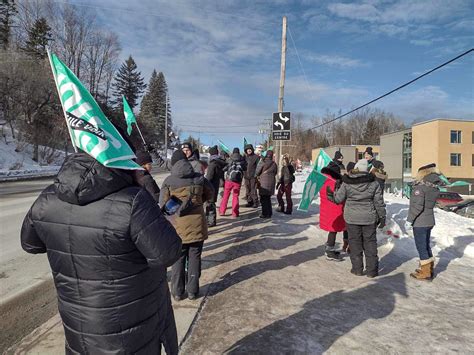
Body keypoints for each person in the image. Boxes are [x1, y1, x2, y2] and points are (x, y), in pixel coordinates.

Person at [21, 152, 182, 354]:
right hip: (131, 326)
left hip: (78, 322)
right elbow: (167, 253)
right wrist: (165, 224)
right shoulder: (133, 200)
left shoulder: (47, 197)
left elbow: (30, 244)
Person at [160, 150, 214, 301]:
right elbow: (211, 194)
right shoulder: (199, 178)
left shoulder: (168, 181)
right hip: (197, 224)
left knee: (178, 259)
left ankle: (177, 292)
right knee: (195, 257)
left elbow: (163, 206)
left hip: (177, 227)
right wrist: (197, 203)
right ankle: (192, 291)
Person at [327, 158, 386, 277]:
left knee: (355, 243)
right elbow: (379, 202)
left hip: (352, 218)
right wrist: (382, 216)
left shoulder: (347, 182)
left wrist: (330, 195)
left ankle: (357, 269)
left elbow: (338, 199)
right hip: (369, 217)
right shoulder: (374, 183)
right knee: (370, 243)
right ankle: (372, 271)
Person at [407, 163, 443, 281]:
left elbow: (417, 206)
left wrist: (409, 220)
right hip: (429, 220)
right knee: (426, 245)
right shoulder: (433, 186)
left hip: (420, 221)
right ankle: (428, 268)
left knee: (421, 246)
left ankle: (426, 272)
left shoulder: (420, 187)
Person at [319, 162, 348, 260]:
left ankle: (329, 247)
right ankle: (329, 251)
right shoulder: (333, 182)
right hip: (334, 210)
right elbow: (339, 196)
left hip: (327, 209)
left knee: (332, 229)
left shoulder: (324, 180)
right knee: (333, 230)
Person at [219, 148, 247, 218]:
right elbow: (245, 168)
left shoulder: (229, 159)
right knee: (235, 196)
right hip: (237, 181)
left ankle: (222, 211)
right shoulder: (242, 160)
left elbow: (224, 169)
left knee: (225, 196)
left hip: (229, 180)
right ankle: (235, 213)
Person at [205, 145, 227, 226]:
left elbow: (209, 177)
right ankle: (211, 220)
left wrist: (204, 183)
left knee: (209, 204)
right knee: (212, 203)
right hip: (216, 185)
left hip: (210, 186)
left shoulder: (212, 164)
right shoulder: (218, 162)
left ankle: (210, 221)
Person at [256, 150, 278, 219]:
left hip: (263, 183)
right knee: (268, 198)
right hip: (271, 183)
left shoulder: (263, 162)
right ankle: (269, 213)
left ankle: (264, 214)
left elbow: (257, 172)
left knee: (263, 199)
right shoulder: (274, 164)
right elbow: (275, 173)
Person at [244, 144, 260, 208]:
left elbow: (258, 167)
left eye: (250, 149)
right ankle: (249, 201)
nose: (249, 150)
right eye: (248, 150)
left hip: (253, 176)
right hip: (246, 176)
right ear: (246, 151)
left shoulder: (256, 157)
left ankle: (255, 202)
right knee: (248, 190)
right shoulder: (244, 157)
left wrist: (257, 175)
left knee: (253, 189)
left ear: (252, 150)